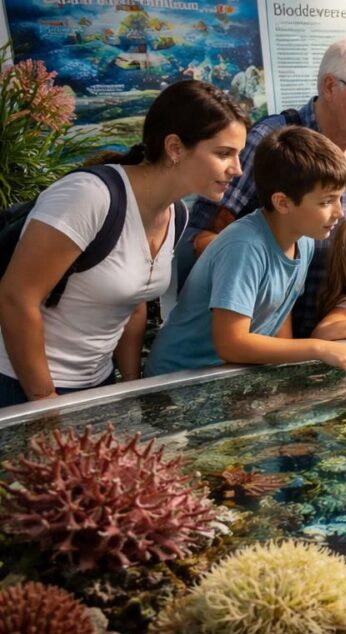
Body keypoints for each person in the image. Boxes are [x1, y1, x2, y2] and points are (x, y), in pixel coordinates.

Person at [0, 80, 250, 407]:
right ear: (175, 148)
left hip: (97, 384)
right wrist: (45, 400)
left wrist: (131, 388)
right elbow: (17, 298)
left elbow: (134, 303)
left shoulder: (176, 215)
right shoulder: (88, 196)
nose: (238, 169)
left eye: (239, 154)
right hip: (24, 386)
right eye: (223, 153)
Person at [184, 34, 346, 337]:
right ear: (329, 86)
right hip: (260, 341)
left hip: (345, 332)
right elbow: (200, 237)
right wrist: (264, 273)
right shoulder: (269, 142)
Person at [144, 126, 346, 376]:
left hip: (226, 376)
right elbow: (231, 344)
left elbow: (278, 311)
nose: (339, 212)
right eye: (326, 202)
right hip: (178, 379)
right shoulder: (245, 247)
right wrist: (318, 348)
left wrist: (286, 373)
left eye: (339, 198)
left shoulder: (304, 239)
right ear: (282, 202)